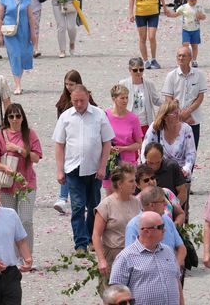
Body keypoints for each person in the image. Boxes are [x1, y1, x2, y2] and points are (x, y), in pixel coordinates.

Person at [53, 84, 115, 252]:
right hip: (73, 167)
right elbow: (59, 145)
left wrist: (103, 166)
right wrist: (60, 170)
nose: (79, 104)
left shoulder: (99, 115)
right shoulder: (66, 117)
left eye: (81, 100)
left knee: (94, 204)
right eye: (75, 101)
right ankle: (80, 243)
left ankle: (90, 237)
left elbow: (107, 141)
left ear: (88, 96)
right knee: (78, 206)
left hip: (94, 169)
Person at [0, 103, 43, 252]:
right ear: (7, 118)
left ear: (23, 117)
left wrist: (18, 149)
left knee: (26, 220)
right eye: (11, 116)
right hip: (7, 185)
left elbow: (36, 158)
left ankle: (27, 255)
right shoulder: (0, 135)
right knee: (9, 221)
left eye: (18, 116)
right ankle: (12, 255)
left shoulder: (30, 134)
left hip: (27, 184)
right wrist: (5, 168)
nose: (14, 119)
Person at [109, 211, 184, 305]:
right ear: (147, 231)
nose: (164, 230)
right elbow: (115, 294)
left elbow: (176, 281)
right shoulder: (125, 257)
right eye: (160, 227)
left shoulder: (168, 251)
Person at [53, 69, 97, 213]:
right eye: (66, 84)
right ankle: (63, 197)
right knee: (67, 168)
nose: (68, 87)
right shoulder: (63, 100)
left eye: (71, 84)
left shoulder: (86, 100)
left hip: (83, 140)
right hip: (67, 140)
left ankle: (70, 198)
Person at [92, 164, 142, 289]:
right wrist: (101, 260)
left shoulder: (137, 202)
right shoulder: (106, 205)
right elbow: (96, 235)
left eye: (135, 180)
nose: (135, 184)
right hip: (113, 257)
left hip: (135, 256)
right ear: (120, 184)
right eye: (131, 181)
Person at [125, 186, 187, 268]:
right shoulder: (134, 226)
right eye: (162, 201)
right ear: (152, 205)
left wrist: (176, 267)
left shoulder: (167, 220)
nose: (165, 204)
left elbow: (181, 247)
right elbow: (130, 256)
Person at [0, 0, 36, 95]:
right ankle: (17, 84)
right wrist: (0, 34)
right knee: (15, 55)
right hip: (9, 32)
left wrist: (33, 33)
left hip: (24, 31)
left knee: (24, 54)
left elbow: (31, 17)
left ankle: (19, 79)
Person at [162, 46, 207, 149]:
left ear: (190, 58)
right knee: (176, 150)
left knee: (192, 149)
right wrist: (180, 114)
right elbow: (168, 97)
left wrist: (188, 112)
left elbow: (200, 96)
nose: (181, 58)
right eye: (179, 56)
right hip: (175, 119)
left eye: (184, 56)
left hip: (194, 118)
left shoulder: (199, 75)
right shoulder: (171, 76)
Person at [128, 0, 170, 69]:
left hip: (153, 12)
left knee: (152, 37)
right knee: (142, 38)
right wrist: (130, 13)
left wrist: (164, 7)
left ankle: (154, 59)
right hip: (140, 13)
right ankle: (146, 61)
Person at [102, 85, 143, 194]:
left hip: (128, 162)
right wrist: (108, 147)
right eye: (122, 98)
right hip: (110, 161)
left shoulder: (133, 118)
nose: (125, 100)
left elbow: (139, 143)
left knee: (128, 195)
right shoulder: (105, 116)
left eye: (126, 97)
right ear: (114, 99)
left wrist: (123, 148)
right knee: (111, 196)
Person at [143, 100, 197, 179]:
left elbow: (191, 153)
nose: (178, 114)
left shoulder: (186, 129)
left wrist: (187, 168)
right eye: (174, 113)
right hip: (159, 172)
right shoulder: (155, 128)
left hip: (180, 173)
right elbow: (146, 149)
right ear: (165, 117)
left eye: (178, 111)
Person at [119, 57, 162, 138]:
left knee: (146, 149)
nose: (138, 72)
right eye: (135, 70)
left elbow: (156, 100)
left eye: (141, 69)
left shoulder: (149, 83)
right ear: (130, 70)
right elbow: (118, 103)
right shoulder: (123, 83)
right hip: (129, 123)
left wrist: (169, 104)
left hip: (145, 123)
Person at [166, 0, 206, 67]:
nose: (194, 2)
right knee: (185, 45)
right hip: (186, 30)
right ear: (187, 0)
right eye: (192, 1)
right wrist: (169, 14)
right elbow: (176, 14)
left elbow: (204, 17)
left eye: (195, 0)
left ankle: (194, 60)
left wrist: (201, 16)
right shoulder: (184, 7)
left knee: (194, 45)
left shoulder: (199, 7)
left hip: (195, 29)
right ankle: (186, 59)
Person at [141, 142, 187, 207]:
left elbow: (182, 192)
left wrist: (172, 209)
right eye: (151, 163)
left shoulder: (172, 167)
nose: (154, 167)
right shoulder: (140, 172)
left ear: (162, 157)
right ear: (145, 157)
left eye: (157, 162)